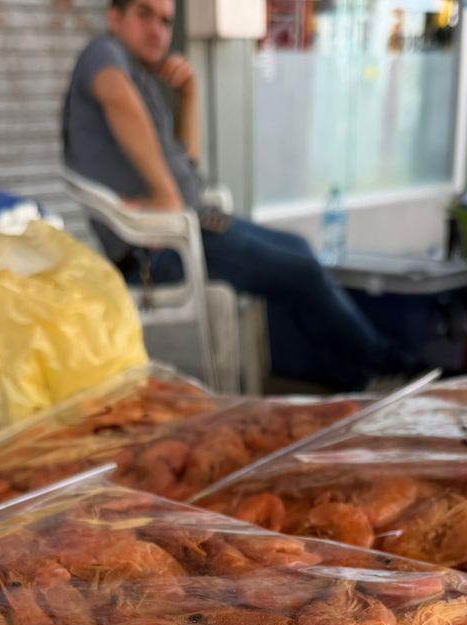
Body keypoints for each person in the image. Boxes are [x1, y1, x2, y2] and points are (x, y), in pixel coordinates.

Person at [62, 0, 417, 391]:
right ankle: (384, 367)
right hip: (161, 251)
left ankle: (351, 375)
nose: (157, 32)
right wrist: (165, 195)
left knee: (299, 250)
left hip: (196, 226)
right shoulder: (105, 55)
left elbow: (187, 166)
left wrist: (191, 94)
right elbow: (114, 94)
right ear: (115, 17)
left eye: (166, 22)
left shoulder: (144, 79)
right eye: (144, 15)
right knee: (303, 273)